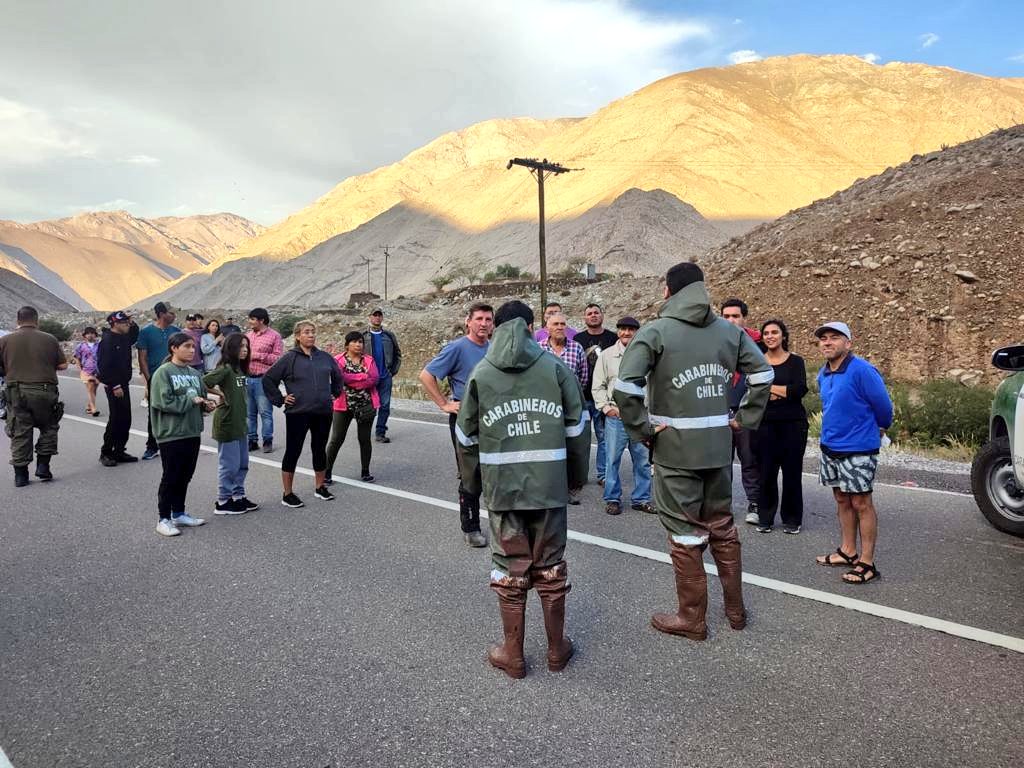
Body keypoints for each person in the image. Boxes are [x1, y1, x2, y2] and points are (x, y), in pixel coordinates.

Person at [613, 263, 772, 641]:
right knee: (722, 527)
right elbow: (763, 374)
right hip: (718, 450)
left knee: (685, 533)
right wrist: (745, 417)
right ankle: (735, 611)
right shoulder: (729, 332)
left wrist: (642, 430)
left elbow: (625, 388)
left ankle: (692, 618)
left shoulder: (656, 331)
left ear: (668, 291)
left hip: (674, 451)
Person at [455, 300, 590, 679]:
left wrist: (473, 484)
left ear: (495, 327)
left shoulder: (482, 372)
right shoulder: (555, 368)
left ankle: (513, 655)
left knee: (509, 567)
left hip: (503, 492)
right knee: (551, 565)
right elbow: (577, 429)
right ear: (533, 327)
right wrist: (574, 479)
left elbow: (466, 437)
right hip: (549, 489)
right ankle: (556, 650)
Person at [813, 321, 893, 584]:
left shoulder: (862, 370)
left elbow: (884, 409)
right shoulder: (823, 373)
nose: (827, 342)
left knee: (861, 502)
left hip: (858, 447)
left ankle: (867, 563)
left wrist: (879, 429)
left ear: (848, 343)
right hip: (830, 446)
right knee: (841, 499)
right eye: (823, 338)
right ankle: (848, 551)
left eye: (834, 337)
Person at [418, 302, 494, 547]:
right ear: (468, 321)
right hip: (466, 419)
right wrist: (444, 404)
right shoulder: (457, 348)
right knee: (471, 474)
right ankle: (471, 527)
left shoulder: (494, 348)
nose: (484, 324)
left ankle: (502, 524)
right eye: (479, 319)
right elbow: (426, 375)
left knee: (495, 471)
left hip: (493, 419)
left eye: (488, 319)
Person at [262, 320, 342, 508]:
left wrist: (334, 393)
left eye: (313, 331)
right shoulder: (289, 358)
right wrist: (281, 399)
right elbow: (268, 379)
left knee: (319, 449)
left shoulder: (324, 357)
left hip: (323, 411)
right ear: (298, 336)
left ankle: (320, 487)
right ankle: (287, 493)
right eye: (306, 332)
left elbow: (338, 376)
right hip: (298, 413)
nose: (311, 335)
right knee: (293, 450)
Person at [149, 332, 216, 537]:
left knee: (185, 475)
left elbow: (200, 399)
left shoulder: (195, 374)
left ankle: (178, 513)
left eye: (193, 346)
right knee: (171, 476)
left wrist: (207, 405)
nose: (191, 350)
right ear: (174, 348)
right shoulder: (163, 372)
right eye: (187, 346)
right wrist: (190, 401)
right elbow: (162, 402)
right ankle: (163, 519)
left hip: (192, 431)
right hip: (171, 433)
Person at [0, 306, 68, 487]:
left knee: (20, 432)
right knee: (49, 428)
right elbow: (63, 365)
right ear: (36, 320)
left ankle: (21, 476)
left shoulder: (5, 340)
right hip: (46, 391)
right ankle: (43, 467)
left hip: (17, 392)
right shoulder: (50, 339)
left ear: (18, 320)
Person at [591, 316, 653, 515]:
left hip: (641, 418)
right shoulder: (607, 356)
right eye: (623, 329)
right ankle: (612, 498)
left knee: (643, 461)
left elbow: (653, 385)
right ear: (618, 331)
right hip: (616, 417)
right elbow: (598, 385)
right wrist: (606, 408)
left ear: (637, 332)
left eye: (631, 329)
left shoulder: (647, 356)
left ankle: (641, 499)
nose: (626, 333)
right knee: (612, 460)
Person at [753, 319, 809, 534]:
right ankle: (765, 518)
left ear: (783, 336)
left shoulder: (796, 361)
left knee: (792, 473)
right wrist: (782, 391)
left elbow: (798, 390)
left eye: (774, 332)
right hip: (765, 424)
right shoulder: (758, 362)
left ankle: (792, 519)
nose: (770, 336)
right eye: (766, 333)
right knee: (766, 473)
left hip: (793, 424)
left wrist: (768, 388)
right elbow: (753, 390)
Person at [203, 333, 260, 515]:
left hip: (240, 423)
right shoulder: (226, 369)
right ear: (231, 348)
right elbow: (203, 382)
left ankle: (238, 496)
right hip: (227, 422)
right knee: (229, 465)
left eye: (246, 346)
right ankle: (223, 501)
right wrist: (219, 394)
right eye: (241, 346)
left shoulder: (239, 369)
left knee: (242, 464)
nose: (245, 349)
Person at [721, 298, 763, 525]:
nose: (731, 320)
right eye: (726, 316)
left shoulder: (758, 344)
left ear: (744, 318)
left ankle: (754, 503)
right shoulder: (714, 343)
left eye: (735, 316)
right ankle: (722, 504)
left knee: (749, 459)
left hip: (745, 412)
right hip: (720, 412)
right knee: (721, 461)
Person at [326, 331, 380, 484]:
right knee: (336, 439)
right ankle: (326, 472)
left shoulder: (368, 360)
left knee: (364, 439)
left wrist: (355, 383)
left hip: (366, 405)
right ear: (347, 345)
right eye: (354, 342)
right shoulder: (338, 360)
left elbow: (374, 379)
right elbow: (339, 378)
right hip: (343, 405)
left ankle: (365, 471)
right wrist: (362, 377)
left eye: (360, 342)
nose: (358, 345)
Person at [576, 303, 618, 486]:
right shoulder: (578, 339)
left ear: (602, 315)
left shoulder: (612, 338)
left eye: (596, 312)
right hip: (583, 397)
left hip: (604, 398)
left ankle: (603, 474)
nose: (593, 315)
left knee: (604, 438)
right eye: (589, 313)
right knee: (580, 439)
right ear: (584, 318)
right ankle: (578, 474)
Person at [136, 301, 180, 460]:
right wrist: (149, 380)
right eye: (171, 312)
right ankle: (152, 446)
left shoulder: (176, 332)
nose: (174, 315)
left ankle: (173, 444)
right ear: (161, 314)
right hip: (155, 378)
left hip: (174, 378)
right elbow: (142, 358)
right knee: (154, 413)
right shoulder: (146, 332)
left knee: (176, 411)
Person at [96, 310, 141, 467]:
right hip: (114, 385)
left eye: (128, 322)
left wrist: (132, 322)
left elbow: (134, 334)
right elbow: (104, 367)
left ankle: (119, 450)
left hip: (124, 383)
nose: (127, 325)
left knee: (125, 418)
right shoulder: (107, 341)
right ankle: (106, 452)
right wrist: (115, 385)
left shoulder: (124, 337)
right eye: (124, 322)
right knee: (116, 418)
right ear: (114, 324)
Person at [245, 308, 284, 453]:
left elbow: (278, 358)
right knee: (249, 413)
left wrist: (257, 356)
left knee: (265, 412)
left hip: (263, 380)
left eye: (252, 319)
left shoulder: (275, 336)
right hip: (247, 378)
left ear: (261, 320)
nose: (250, 322)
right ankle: (252, 440)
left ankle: (267, 440)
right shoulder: (248, 336)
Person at [362, 308, 402, 444]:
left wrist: (392, 371)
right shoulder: (363, 336)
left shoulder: (389, 336)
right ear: (370, 317)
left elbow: (397, 354)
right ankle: (364, 431)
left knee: (384, 406)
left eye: (379, 315)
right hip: (368, 378)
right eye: (375, 315)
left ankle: (380, 432)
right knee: (368, 406)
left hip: (385, 377)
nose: (377, 317)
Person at [72, 327, 101, 416]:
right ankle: (93, 409)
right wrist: (80, 369)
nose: (90, 335)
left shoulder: (99, 345)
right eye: (88, 333)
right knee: (90, 387)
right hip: (86, 370)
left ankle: (89, 407)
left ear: (95, 335)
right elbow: (76, 357)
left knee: (94, 389)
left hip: (97, 371)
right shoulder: (81, 346)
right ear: (85, 335)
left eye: (92, 333)